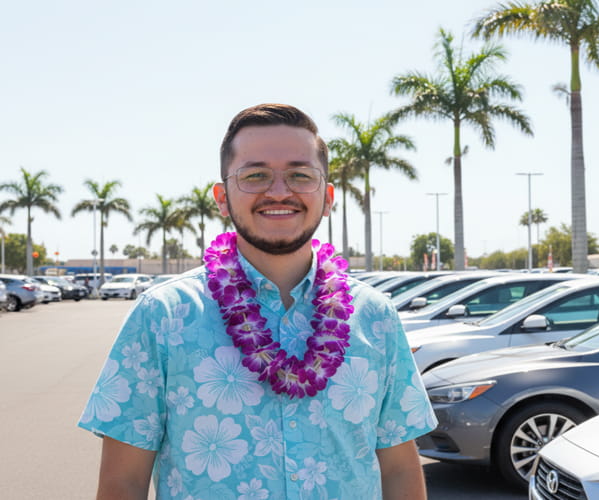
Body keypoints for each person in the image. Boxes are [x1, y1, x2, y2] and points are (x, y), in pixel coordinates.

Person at [79, 103, 437, 499]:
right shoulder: (163, 316)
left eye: (300, 175)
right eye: (255, 175)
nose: (279, 191)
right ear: (221, 196)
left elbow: (400, 468)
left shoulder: (376, 317)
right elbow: (122, 483)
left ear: (328, 196)